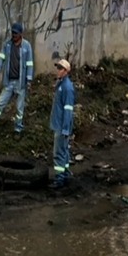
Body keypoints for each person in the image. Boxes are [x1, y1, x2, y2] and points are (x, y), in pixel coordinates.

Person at [50, 59, 76, 189]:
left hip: (61, 126)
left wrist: (65, 129)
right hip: (59, 124)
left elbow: (68, 110)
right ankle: (65, 174)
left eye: (60, 68)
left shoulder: (66, 87)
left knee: (58, 153)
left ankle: (59, 179)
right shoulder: (61, 84)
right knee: (64, 151)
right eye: (58, 68)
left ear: (66, 71)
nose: (58, 70)